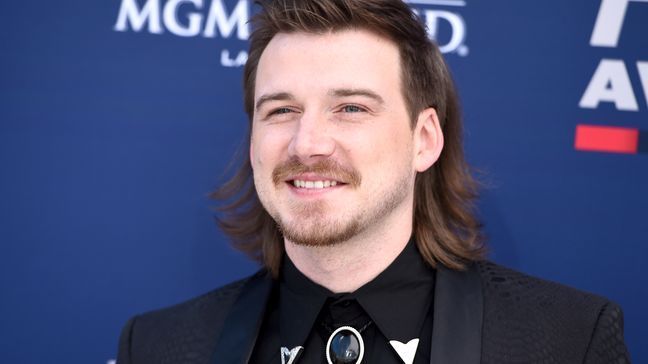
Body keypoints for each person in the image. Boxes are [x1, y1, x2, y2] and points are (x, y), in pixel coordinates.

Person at [116, 0, 630, 363]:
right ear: (252, 142)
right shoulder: (158, 346)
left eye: (351, 107)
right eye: (281, 110)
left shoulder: (570, 340)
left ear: (425, 139)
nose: (307, 143)